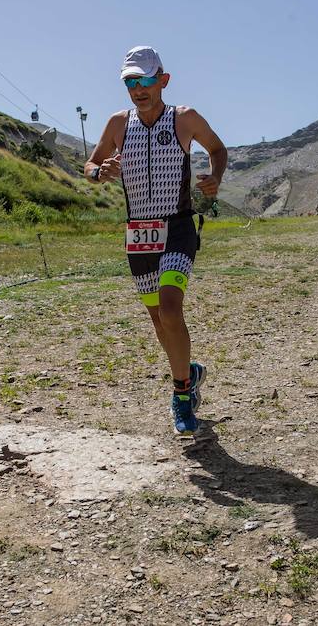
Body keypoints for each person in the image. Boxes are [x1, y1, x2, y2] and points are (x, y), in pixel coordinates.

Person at [85, 46, 227, 436]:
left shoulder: (184, 118)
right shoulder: (118, 123)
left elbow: (217, 148)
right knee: (157, 319)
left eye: (145, 80)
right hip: (139, 234)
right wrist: (101, 172)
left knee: (169, 308)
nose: (138, 88)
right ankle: (190, 373)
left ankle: (181, 395)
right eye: (130, 81)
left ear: (162, 80)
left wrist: (215, 178)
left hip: (178, 227)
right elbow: (91, 165)